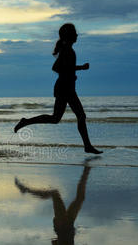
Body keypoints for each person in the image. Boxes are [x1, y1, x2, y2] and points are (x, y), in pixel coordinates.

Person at [14, 23, 102, 154]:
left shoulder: (69, 49)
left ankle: (26, 121)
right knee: (78, 116)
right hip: (65, 88)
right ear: (70, 35)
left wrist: (76, 71)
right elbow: (56, 68)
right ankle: (87, 146)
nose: (77, 35)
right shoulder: (67, 50)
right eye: (75, 33)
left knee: (58, 118)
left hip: (67, 87)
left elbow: (64, 68)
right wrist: (78, 69)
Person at [14, 165, 91, 245]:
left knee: (56, 194)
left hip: (64, 226)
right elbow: (55, 243)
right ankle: (86, 170)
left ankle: (26, 190)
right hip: (65, 227)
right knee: (79, 198)